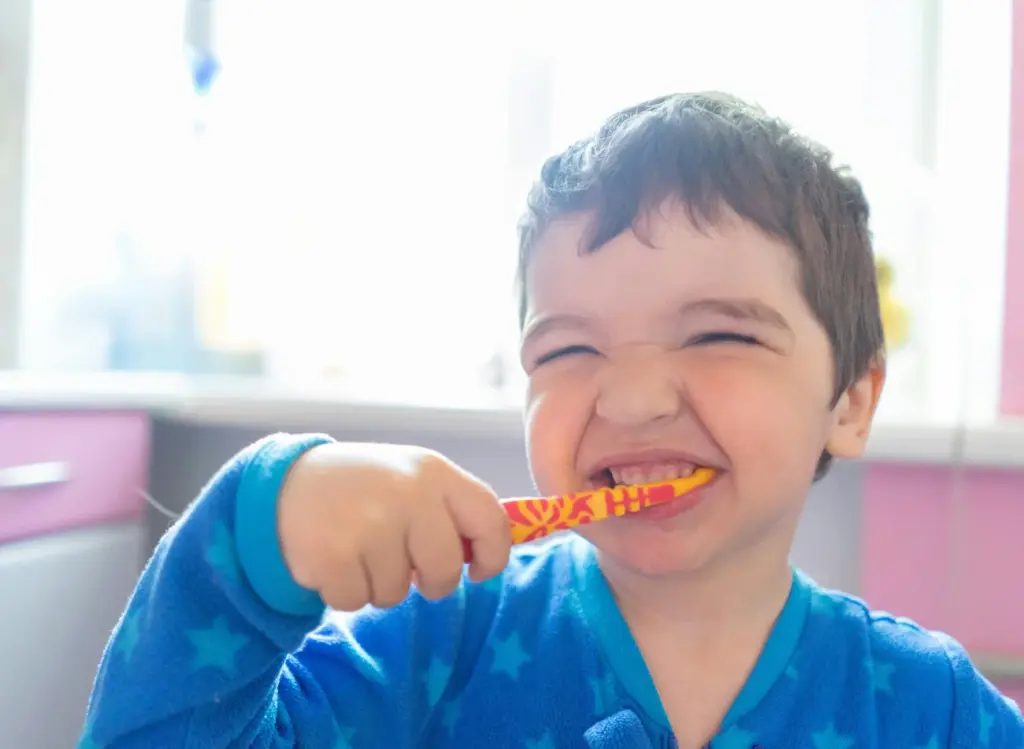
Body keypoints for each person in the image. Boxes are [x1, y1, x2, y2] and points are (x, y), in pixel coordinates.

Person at [80, 92, 1024, 749]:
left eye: (721, 333)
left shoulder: (930, 708)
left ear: (852, 400)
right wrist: (255, 544)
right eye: (569, 350)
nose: (630, 397)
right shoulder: (434, 644)